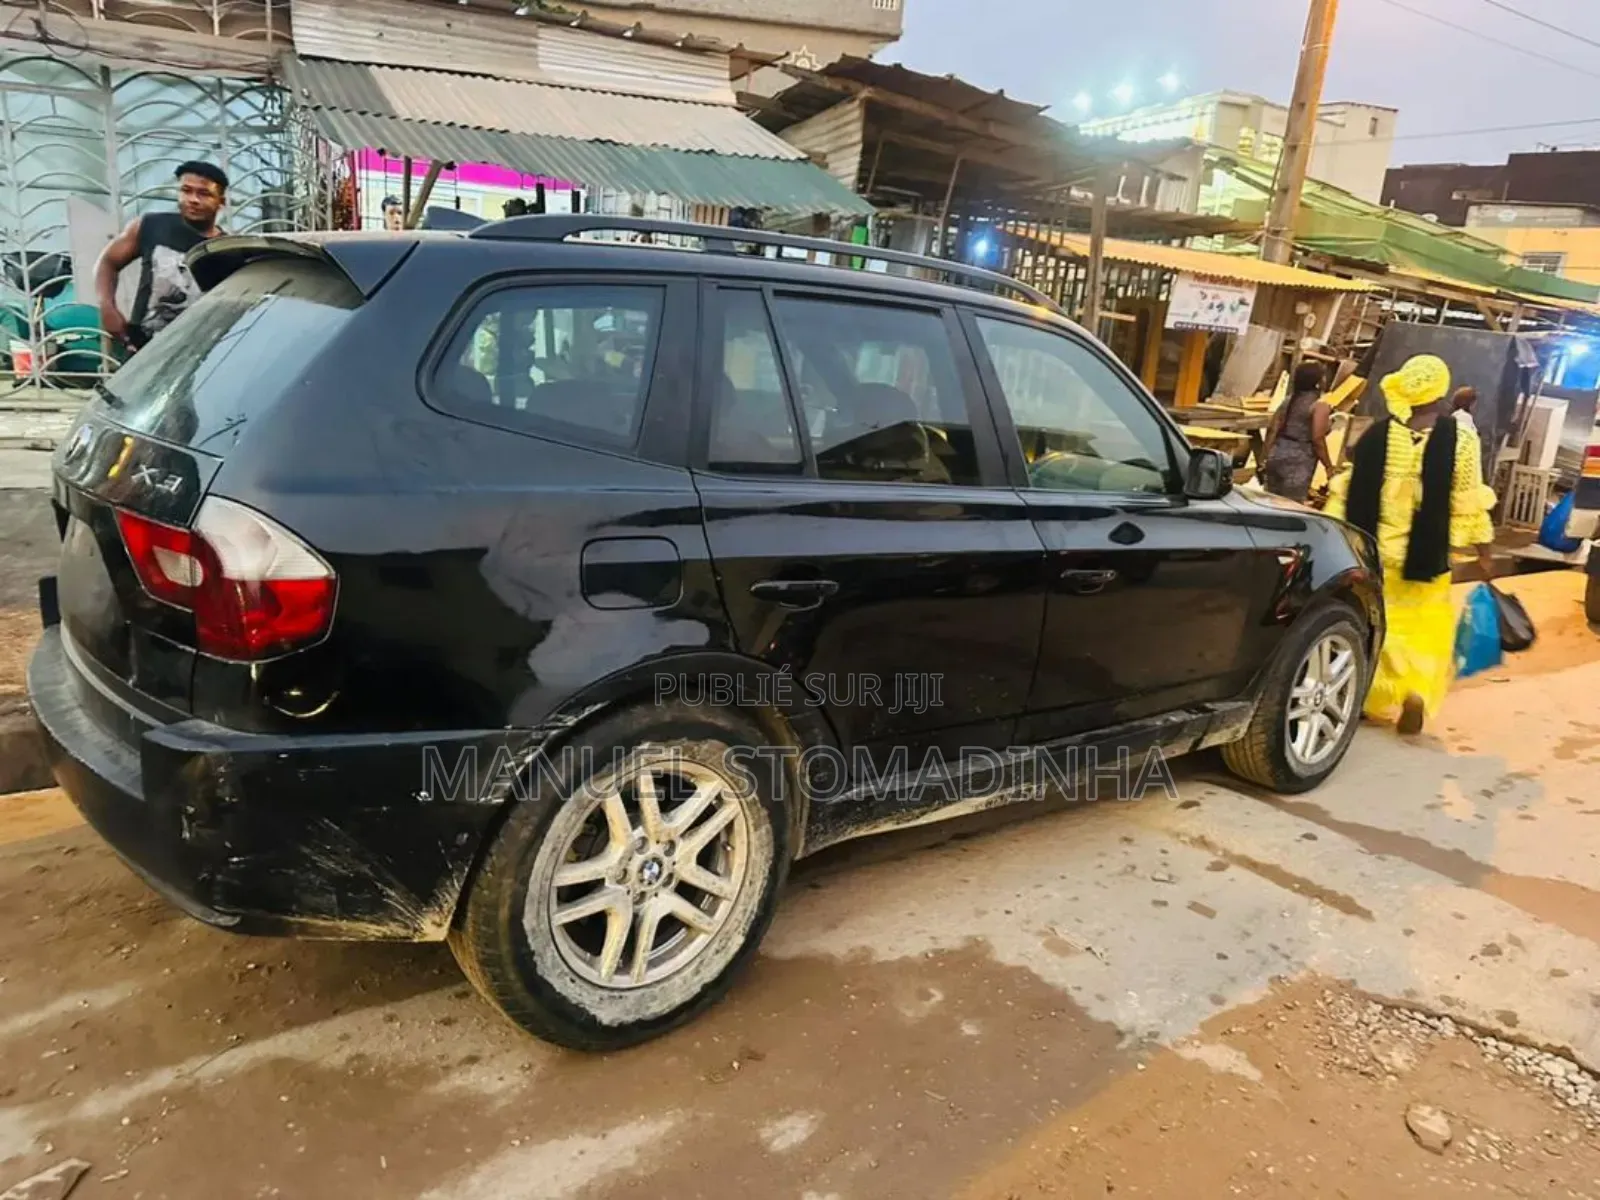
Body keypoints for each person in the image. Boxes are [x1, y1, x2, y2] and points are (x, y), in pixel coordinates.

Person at [1325, 354, 1497, 736]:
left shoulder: (1379, 434)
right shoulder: (1461, 437)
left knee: (1379, 625)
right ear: (1439, 392)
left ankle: (1371, 698)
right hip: (1427, 553)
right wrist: (1484, 551)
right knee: (1425, 628)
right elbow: (1466, 496)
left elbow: (1348, 492)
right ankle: (1414, 692)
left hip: (1377, 551)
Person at [95, 160, 228, 351]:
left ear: (220, 202)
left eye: (204, 194)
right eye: (186, 190)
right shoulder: (150, 226)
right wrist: (107, 306)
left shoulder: (226, 249)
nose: (193, 199)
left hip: (198, 351)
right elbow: (108, 261)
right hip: (143, 348)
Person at [1260, 362, 1335, 502]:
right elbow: (1317, 438)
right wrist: (1328, 467)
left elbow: (1272, 429)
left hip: (1276, 455)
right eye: (1323, 377)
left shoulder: (1288, 401)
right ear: (1318, 383)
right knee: (1290, 507)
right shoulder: (1320, 406)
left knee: (1271, 503)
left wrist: (1265, 456)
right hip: (1298, 462)